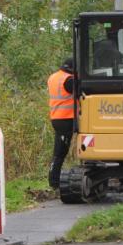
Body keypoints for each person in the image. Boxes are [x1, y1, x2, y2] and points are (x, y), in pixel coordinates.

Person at [47, 57, 76, 189]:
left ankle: (54, 181)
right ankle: (54, 182)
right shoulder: (68, 80)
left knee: (58, 152)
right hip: (66, 119)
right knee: (60, 153)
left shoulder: (53, 77)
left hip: (56, 118)